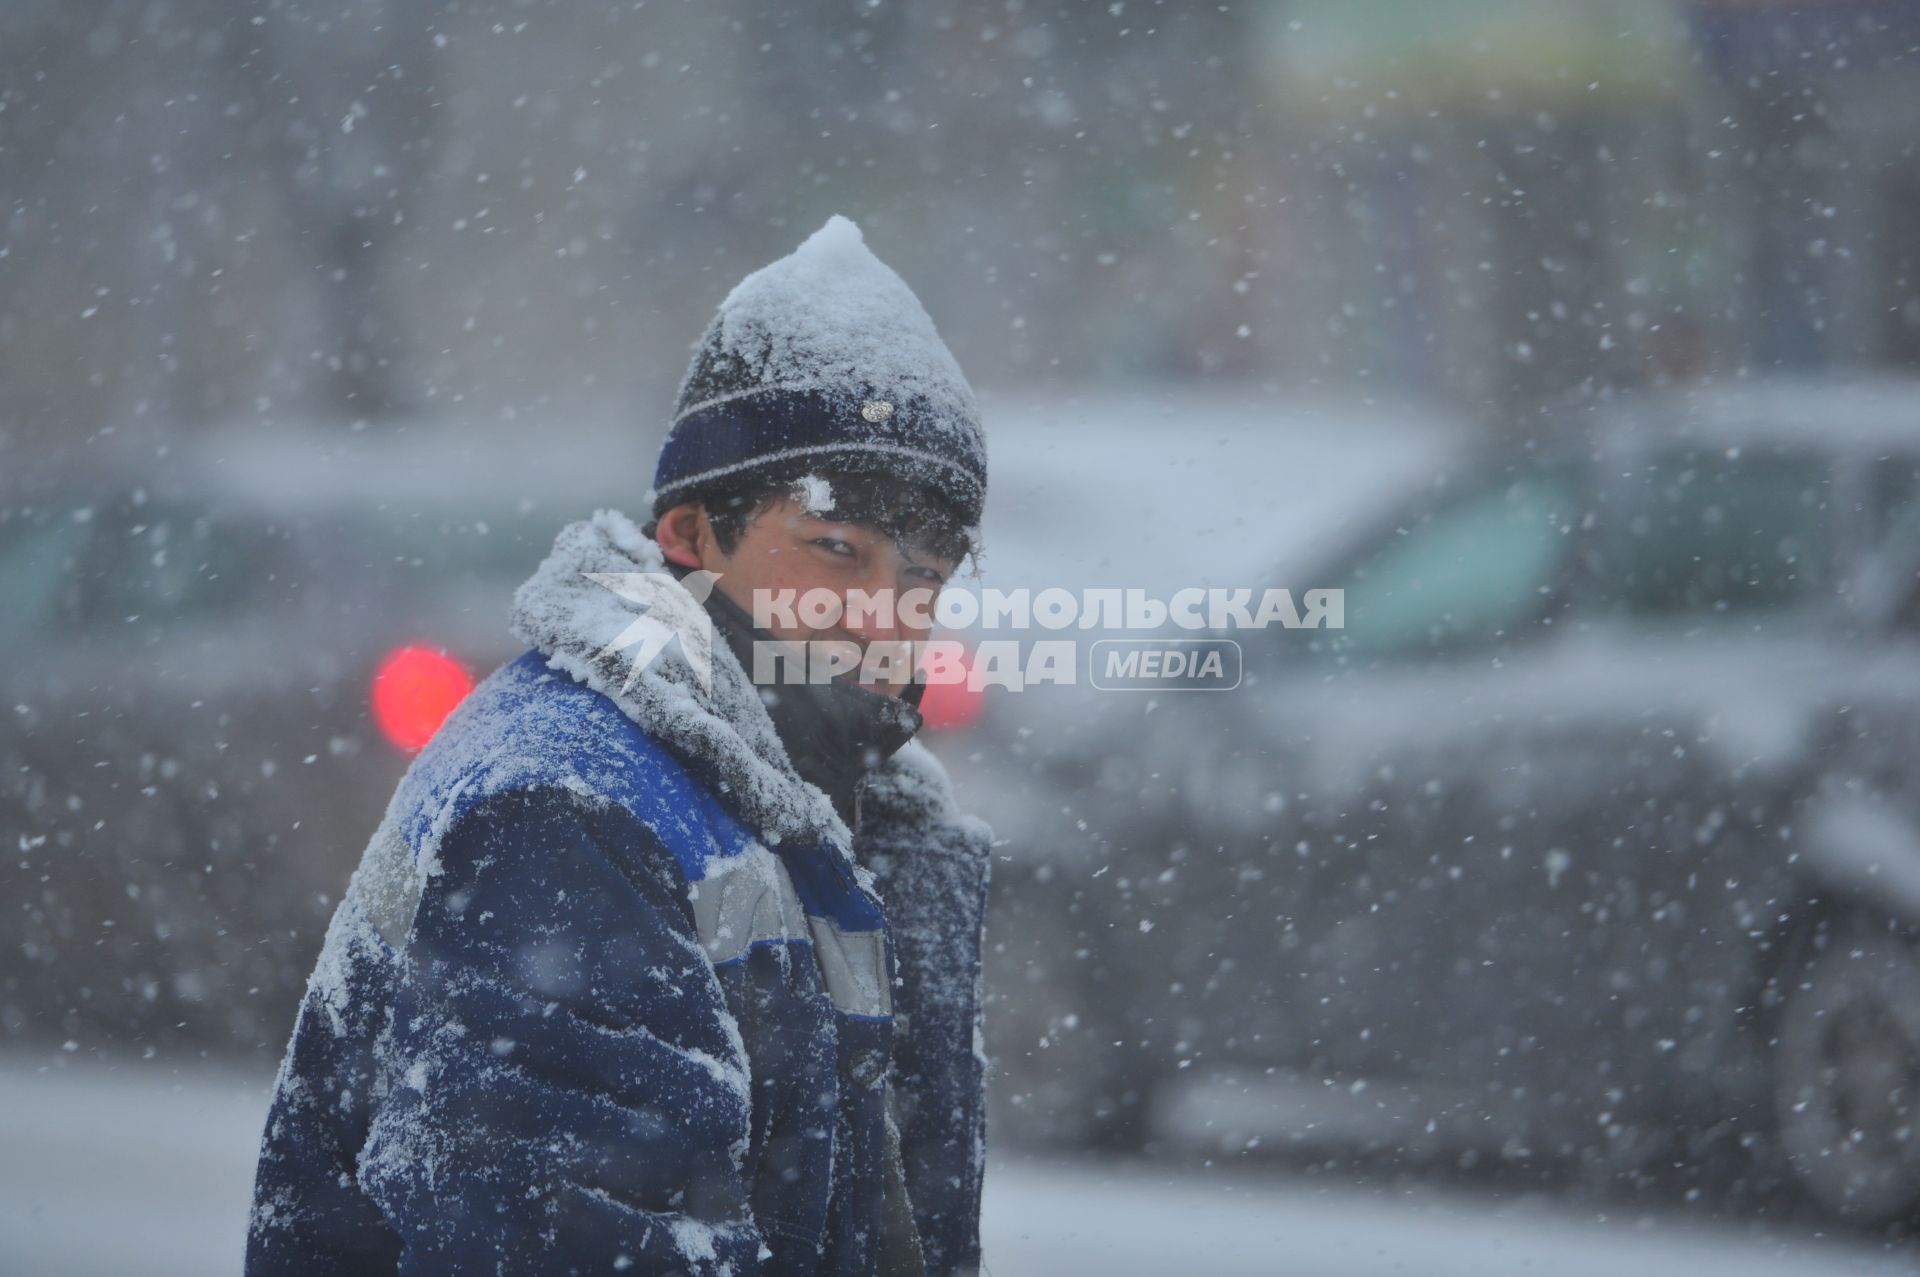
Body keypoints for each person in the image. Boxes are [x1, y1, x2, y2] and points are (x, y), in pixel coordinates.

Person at [248, 215, 993, 1275]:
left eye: (925, 574)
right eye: (837, 550)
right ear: (690, 539)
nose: (891, 617)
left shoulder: (857, 812)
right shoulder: (561, 812)